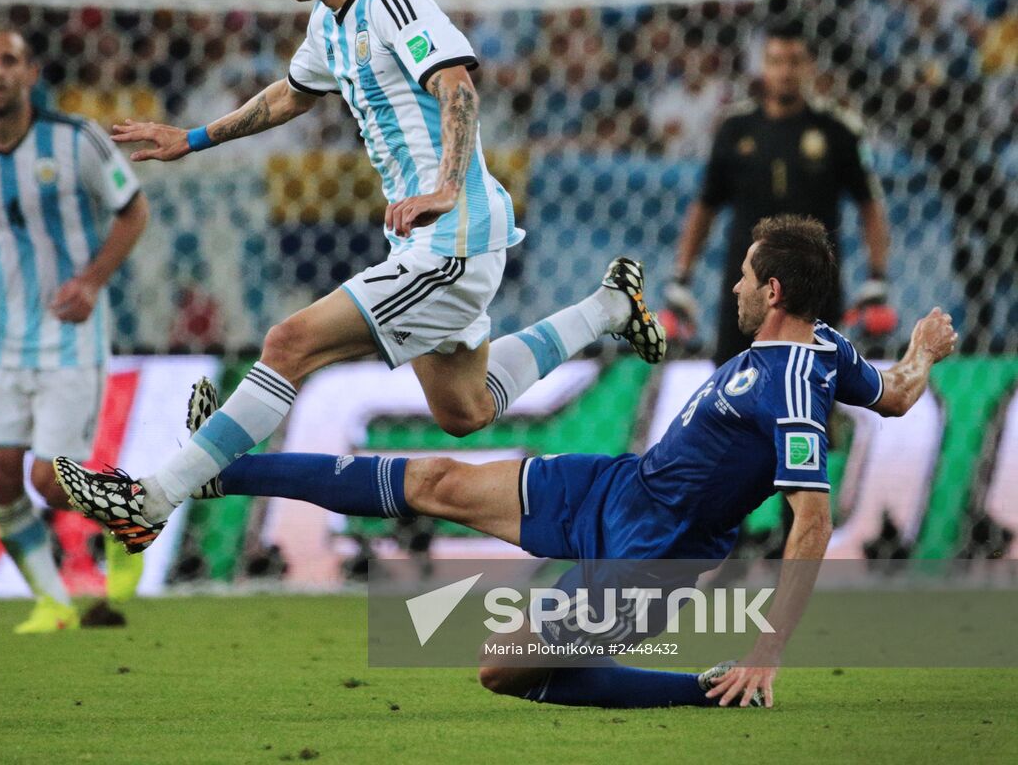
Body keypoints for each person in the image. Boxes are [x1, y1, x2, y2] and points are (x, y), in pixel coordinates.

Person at [54, 0, 666, 551]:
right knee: (465, 408)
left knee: (288, 344)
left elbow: (457, 88)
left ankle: (150, 498)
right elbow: (291, 94)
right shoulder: (328, 23)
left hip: (450, 235)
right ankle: (608, 309)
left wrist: (442, 187)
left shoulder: (396, 2)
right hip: (434, 240)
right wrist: (192, 139)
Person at [179, 216, 957, 708]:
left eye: (747, 276)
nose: (735, 285)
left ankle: (715, 690)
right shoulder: (824, 350)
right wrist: (922, 353)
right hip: (619, 486)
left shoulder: (794, 383)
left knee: (499, 668)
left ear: (774, 289)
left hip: (658, 552)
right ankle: (223, 469)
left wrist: (766, 650)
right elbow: (891, 394)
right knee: (433, 480)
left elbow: (812, 523)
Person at [0, 29, 149, 632]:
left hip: (69, 333)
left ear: (31, 73)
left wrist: (93, 281)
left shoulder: (76, 141)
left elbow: (133, 210)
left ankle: (128, 520)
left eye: (9, 61)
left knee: (50, 479)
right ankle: (52, 602)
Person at [665, 21, 892, 366]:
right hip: (748, 288)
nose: (785, 71)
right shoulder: (734, 129)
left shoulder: (837, 130)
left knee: (816, 391)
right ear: (763, 67)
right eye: (776, 61)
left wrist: (877, 277)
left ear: (809, 66)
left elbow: (870, 204)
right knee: (735, 388)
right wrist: (681, 277)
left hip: (814, 288)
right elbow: (705, 207)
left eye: (794, 61)